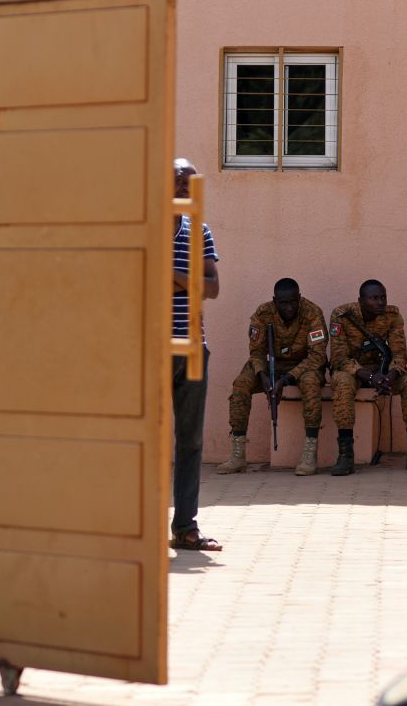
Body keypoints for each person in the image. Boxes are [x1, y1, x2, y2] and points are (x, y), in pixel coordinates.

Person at [219, 278, 328, 476]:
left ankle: (309, 454)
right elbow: (257, 351)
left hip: (304, 366)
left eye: (293, 302)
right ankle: (238, 454)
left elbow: (317, 356)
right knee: (241, 385)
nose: (289, 307)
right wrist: (263, 376)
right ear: (274, 300)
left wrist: (286, 379)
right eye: (283, 303)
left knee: (311, 383)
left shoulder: (312, 313)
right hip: (271, 365)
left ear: (299, 298)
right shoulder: (263, 314)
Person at [169, 158, 222, 552]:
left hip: (191, 349)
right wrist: (190, 282)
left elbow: (213, 288)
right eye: (179, 184)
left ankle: (186, 526)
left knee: (190, 441)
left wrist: (173, 275)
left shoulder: (199, 231)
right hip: (148, 348)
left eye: (191, 186)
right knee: (144, 442)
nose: (186, 192)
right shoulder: (144, 228)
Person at [329, 280, 407, 475]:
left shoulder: (392, 315)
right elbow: (339, 358)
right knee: (344, 384)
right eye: (374, 298)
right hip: (352, 370)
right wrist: (369, 376)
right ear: (361, 301)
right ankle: (345, 455)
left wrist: (391, 375)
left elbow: (399, 354)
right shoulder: (341, 315)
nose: (380, 302)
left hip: (382, 371)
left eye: (383, 297)